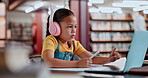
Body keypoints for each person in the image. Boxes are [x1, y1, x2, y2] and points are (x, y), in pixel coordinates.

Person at [42, 8, 121, 68]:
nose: (74, 30)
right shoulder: (51, 40)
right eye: (70, 27)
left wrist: (109, 59)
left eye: (75, 27)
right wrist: (77, 63)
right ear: (55, 28)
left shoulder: (74, 44)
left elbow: (92, 59)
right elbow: (49, 61)